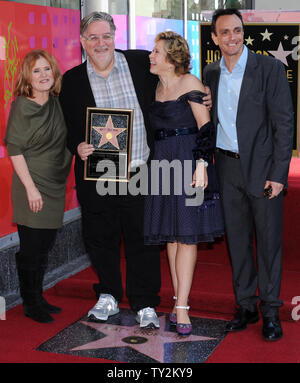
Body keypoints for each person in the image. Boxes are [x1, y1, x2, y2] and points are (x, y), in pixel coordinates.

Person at [59, 12, 162, 328]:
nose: (100, 43)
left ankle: (144, 302)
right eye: (92, 37)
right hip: (99, 174)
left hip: (139, 169)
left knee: (142, 238)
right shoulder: (72, 80)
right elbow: (68, 129)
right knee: (100, 237)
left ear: (115, 35)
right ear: (82, 42)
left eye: (105, 35)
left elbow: (173, 85)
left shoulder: (142, 63)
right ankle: (108, 294)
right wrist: (77, 146)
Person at [203, 8, 294, 341]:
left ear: (244, 32)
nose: (232, 37)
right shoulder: (210, 73)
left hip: (264, 171)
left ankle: (271, 311)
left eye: (237, 30)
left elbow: (284, 124)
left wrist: (279, 174)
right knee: (238, 241)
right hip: (226, 168)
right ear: (215, 38)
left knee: (268, 242)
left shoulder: (268, 69)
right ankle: (246, 306)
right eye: (225, 32)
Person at [144, 31, 224, 336]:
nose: (151, 56)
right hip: (163, 163)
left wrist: (202, 166)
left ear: (171, 57)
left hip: (190, 162)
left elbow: (206, 129)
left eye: (156, 52)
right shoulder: (156, 86)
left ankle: (182, 308)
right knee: (172, 235)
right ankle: (179, 301)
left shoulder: (190, 83)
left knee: (187, 235)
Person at [4, 49, 72, 323]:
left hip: (55, 184)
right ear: (27, 77)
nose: (43, 75)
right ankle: (30, 302)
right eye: (36, 71)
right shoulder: (22, 106)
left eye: (47, 69)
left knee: (44, 245)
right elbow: (15, 149)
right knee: (32, 247)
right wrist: (31, 189)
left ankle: (37, 295)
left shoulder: (57, 102)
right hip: (30, 184)